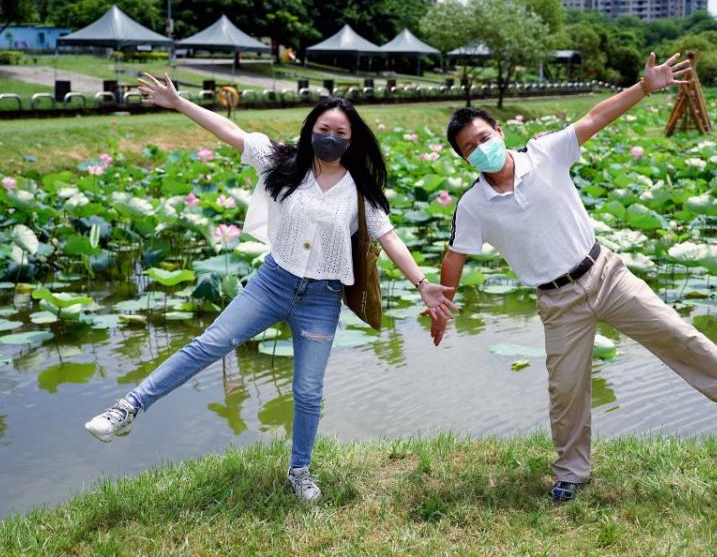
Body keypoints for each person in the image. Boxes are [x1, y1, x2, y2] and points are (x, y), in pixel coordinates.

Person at [430, 53, 717, 503]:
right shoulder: (473, 205)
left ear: (500, 133)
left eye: (484, 137)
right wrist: (441, 305)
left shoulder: (544, 152)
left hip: (604, 273)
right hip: (557, 302)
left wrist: (644, 88)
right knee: (566, 390)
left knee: (675, 333)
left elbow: (595, 117)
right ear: (464, 159)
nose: (480, 148)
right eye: (469, 148)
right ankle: (572, 473)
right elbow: (455, 255)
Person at [85, 74, 456, 502]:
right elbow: (232, 133)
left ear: (352, 141)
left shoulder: (359, 192)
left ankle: (300, 471)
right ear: (310, 129)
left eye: (340, 133)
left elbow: (389, 238)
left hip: (321, 299)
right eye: (324, 130)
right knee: (209, 344)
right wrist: (179, 102)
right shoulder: (282, 162)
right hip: (272, 283)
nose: (330, 138)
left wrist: (424, 285)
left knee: (308, 391)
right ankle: (127, 408)